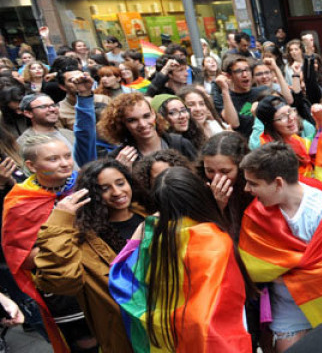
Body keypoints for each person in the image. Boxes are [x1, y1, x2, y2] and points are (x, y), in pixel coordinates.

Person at [109, 167, 254, 352]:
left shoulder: (154, 237)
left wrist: (143, 227)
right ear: (198, 195)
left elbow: (120, 275)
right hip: (217, 338)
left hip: (170, 335)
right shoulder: (215, 239)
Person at [237, 143, 322, 352]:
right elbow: (251, 265)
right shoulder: (256, 214)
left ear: (278, 183)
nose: (246, 189)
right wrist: (296, 272)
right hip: (287, 310)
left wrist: (280, 273)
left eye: (253, 183)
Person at [33, 159, 146, 353]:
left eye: (120, 183)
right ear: (92, 194)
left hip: (167, 323)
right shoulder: (84, 240)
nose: (117, 192)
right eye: (104, 188)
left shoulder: (149, 215)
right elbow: (61, 282)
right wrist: (60, 219)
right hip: (127, 335)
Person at [2, 135, 96, 352]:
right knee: (86, 344)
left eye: (66, 156)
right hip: (63, 289)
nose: (64, 163)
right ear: (31, 166)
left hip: (102, 275)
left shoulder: (86, 184)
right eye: (53, 159)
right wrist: (66, 235)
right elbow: (22, 258)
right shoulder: (21, 201)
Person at [98, 92, 197, 168]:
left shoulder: (180, 144)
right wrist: (124, 173)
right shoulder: (119, 158)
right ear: (122, 124)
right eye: (132, 120)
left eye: (146, 116)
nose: (143, 124)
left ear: (154, 114)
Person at [255, 95, 313, 178]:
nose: (291, 118)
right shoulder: (272, 154)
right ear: (271, 125)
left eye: (290, 111)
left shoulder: (294, 138)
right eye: (282, 117)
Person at [212, 55, 270, 137]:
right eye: (239, 71)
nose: (245, 75)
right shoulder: (225, 99)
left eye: (247, 69)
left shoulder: (263, 91)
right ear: (229, 76)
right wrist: (224, 89)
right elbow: (234, 123)